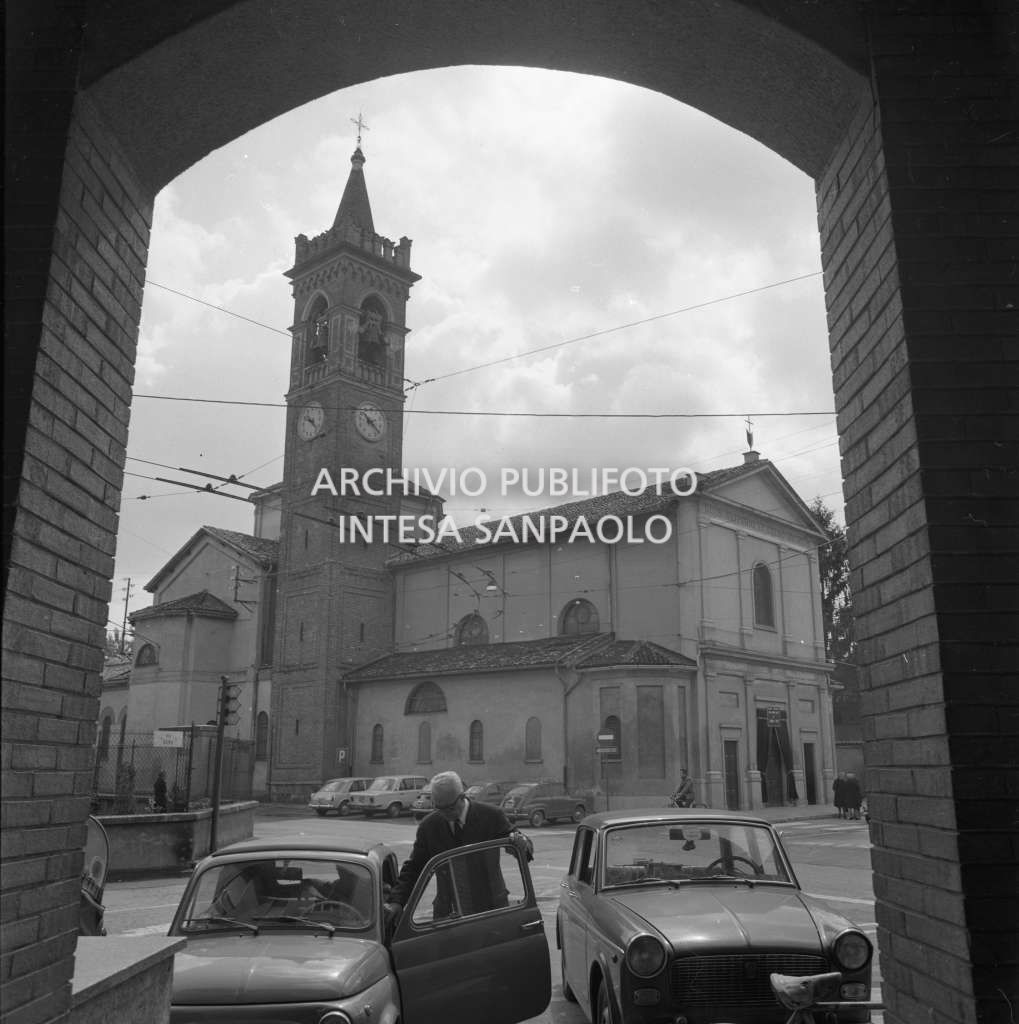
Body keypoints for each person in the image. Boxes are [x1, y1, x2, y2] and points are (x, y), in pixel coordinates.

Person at [384, 771, 531, 925]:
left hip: (491, 911)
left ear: (463, 797)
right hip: (447, 915)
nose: (445, 814)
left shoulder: (491, 816)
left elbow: (521, 845)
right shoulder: (429, 827)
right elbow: (414, 868)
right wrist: (397, 901)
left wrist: (521, 843)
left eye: (450, 808)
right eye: (439, 809)